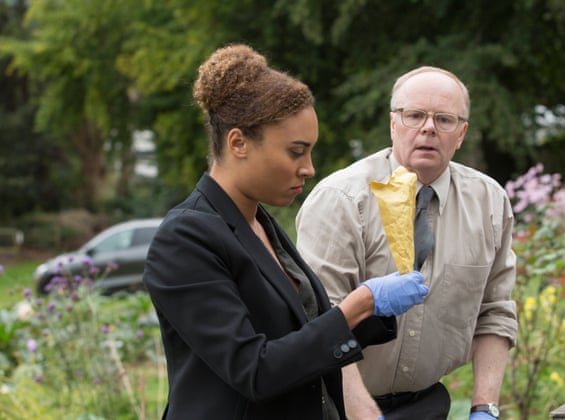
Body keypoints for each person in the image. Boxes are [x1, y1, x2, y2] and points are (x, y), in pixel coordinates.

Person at [143, 44, 429, 420]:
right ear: (238, 143)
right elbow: (255, 371)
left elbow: (302, 339)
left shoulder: (260, 222)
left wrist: (374, 312)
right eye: (296, 152)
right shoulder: (184, 239)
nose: (309, 168)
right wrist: (359, 304)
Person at [296, 66, 518, 420]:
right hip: (337, 406)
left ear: (461, 133)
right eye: (414, 115)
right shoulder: (342, 199)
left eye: (444, 119)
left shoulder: (488, 202)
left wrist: (484, 407)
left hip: (426, 404)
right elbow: (320, 320)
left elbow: (495, 310)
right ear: (393, 124)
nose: (428, 128)